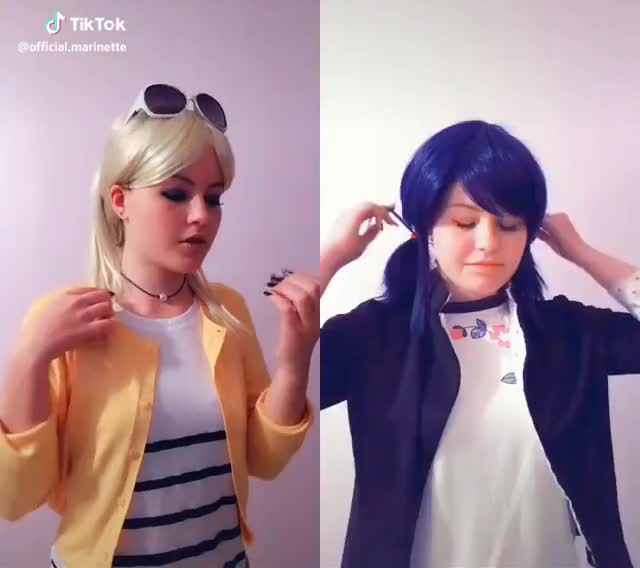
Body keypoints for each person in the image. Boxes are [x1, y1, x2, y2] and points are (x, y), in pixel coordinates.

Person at [0, 84, 319, 567]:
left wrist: (294, 361)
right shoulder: (66, 319)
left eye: (214, 198)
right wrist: (27, 358)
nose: (201, 216)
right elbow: (15, 498)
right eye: (175, 193)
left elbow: (264, 460)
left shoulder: (226, 311)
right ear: (120, 200)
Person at [320, 120, 639, 568]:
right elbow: (277, 385)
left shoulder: (567, 334)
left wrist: (582, 253)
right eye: (465, 222)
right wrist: (331, 257)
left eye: (509, 225)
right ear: (424, 227)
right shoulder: (373, 337)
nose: (488, 243)